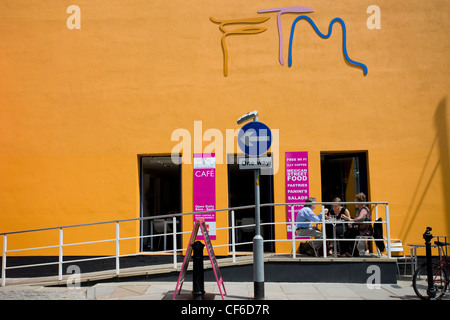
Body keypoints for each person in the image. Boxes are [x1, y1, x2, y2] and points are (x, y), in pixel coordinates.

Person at [340, 192, 373, 256]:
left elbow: (359, 218)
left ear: (359, 202)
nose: (354, 203)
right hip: (362, 230)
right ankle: (351, 252)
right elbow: (357, 219)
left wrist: (350, 219)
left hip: (365, 231)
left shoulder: (364, 209)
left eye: (355, 201)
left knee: (349, 233)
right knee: (348, 233)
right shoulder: (362, 209)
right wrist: (347, 218)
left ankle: (351, 252)